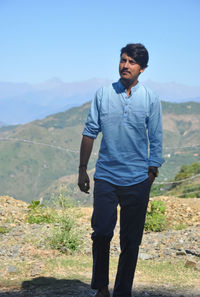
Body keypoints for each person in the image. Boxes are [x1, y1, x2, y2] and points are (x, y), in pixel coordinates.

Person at [78, 43, 164, 297]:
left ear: (142, 68)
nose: (125, 66)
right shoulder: (103, 94)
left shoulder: (150, 98)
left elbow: (156, 137)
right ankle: (102, 288)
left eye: (132, 62)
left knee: (131, 241)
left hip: (138, 180)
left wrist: (152, 171)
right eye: (123, 60)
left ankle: (122, 291)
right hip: (106, 176)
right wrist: (83, 169)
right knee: (102, 233)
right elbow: (89, 131)